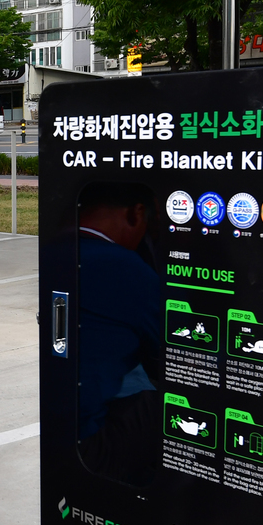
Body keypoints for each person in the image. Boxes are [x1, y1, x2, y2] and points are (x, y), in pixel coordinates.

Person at [75, 181, 162, 486]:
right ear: (137, 214)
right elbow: (170, 346)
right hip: (95, 442)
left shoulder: (62, 249)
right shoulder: (126, 267)